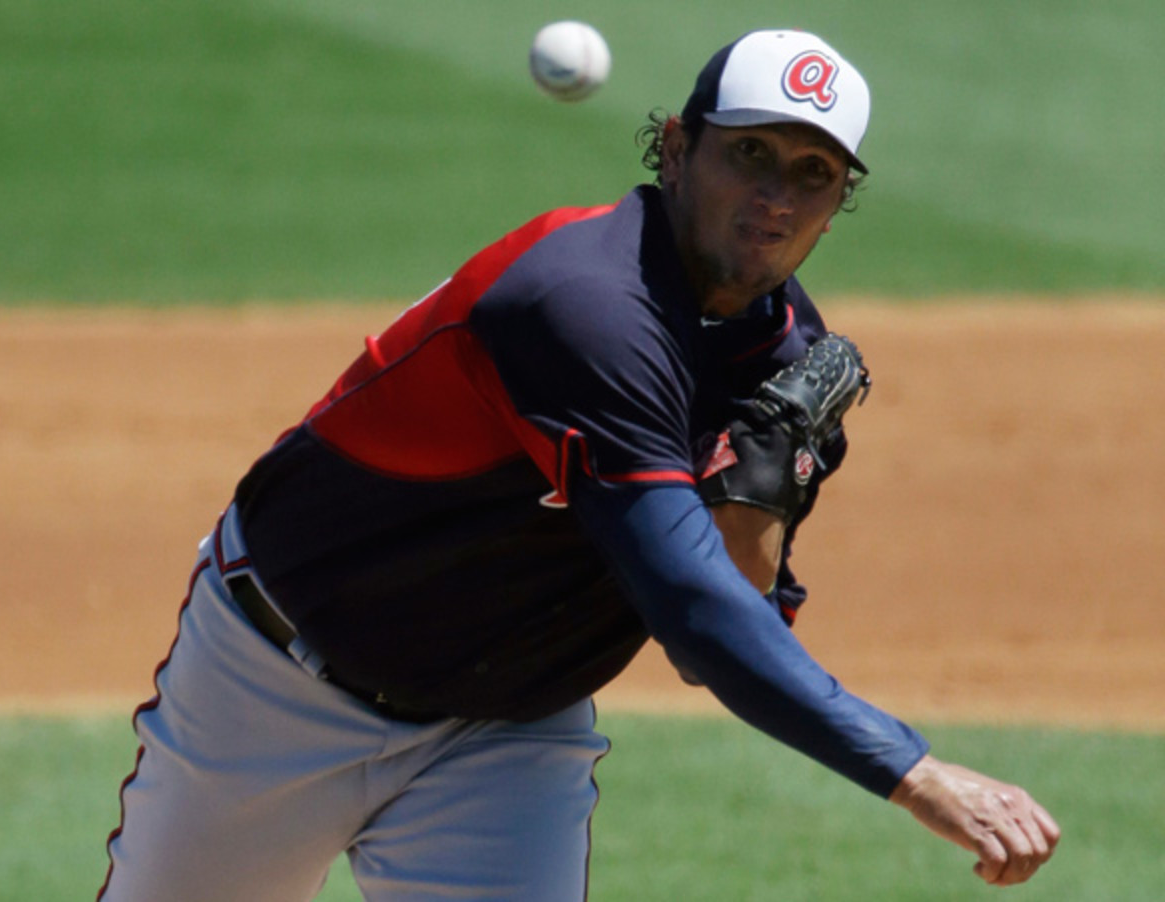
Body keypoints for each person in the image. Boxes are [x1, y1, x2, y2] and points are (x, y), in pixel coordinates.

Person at [99, 28, 1059, 901]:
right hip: (279, 687)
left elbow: (732, 604)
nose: (775, 195)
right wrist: (913, 772)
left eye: (813, 172)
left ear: (836, 206)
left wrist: (765, 484)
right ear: (679, 151)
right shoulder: (583, 300)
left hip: (506, 733)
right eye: (750, 153)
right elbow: (692, 612)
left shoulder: (791, 363)